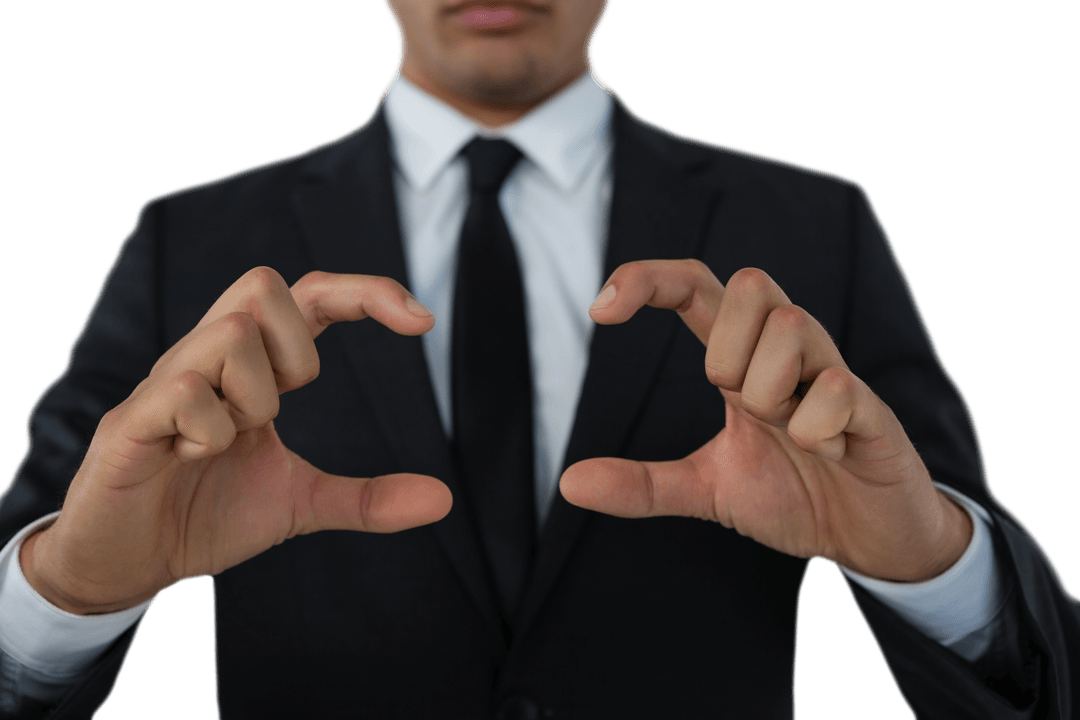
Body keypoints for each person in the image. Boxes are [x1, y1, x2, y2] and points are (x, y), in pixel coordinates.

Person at [0, 1, 1076, 718]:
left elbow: (1045, 676)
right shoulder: (194, 237)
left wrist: (928, 563)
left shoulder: (812, 223)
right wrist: (76, 588)